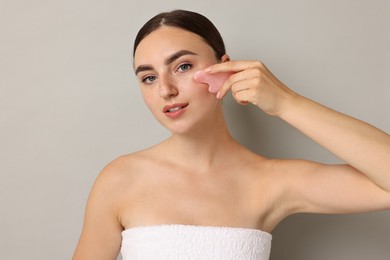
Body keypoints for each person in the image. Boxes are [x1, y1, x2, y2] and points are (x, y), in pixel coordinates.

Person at [73, 9, 390, 260]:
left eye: (182, 66)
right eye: (148, 78)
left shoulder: (270, 182)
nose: (166, 90)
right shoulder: (120, 180)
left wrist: (285, 103)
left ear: (225, 68)